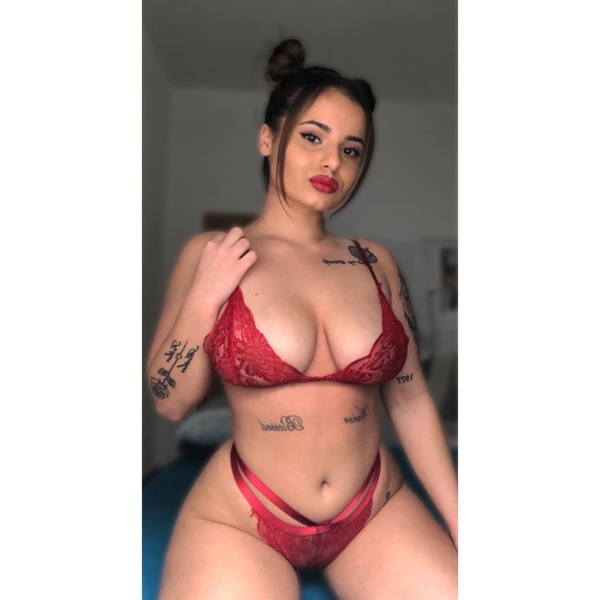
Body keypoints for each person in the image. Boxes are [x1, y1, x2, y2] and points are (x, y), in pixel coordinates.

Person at [147, 38, 458, 599]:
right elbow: (171, 402)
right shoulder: (214, 254)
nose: (332, 161)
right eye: (313, 137)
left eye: (351, 149)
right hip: (244, 516)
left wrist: (464, 525)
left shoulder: (374, 262)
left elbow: (410, 401)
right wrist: (204, 298)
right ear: (268, 139)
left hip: (373, 508)